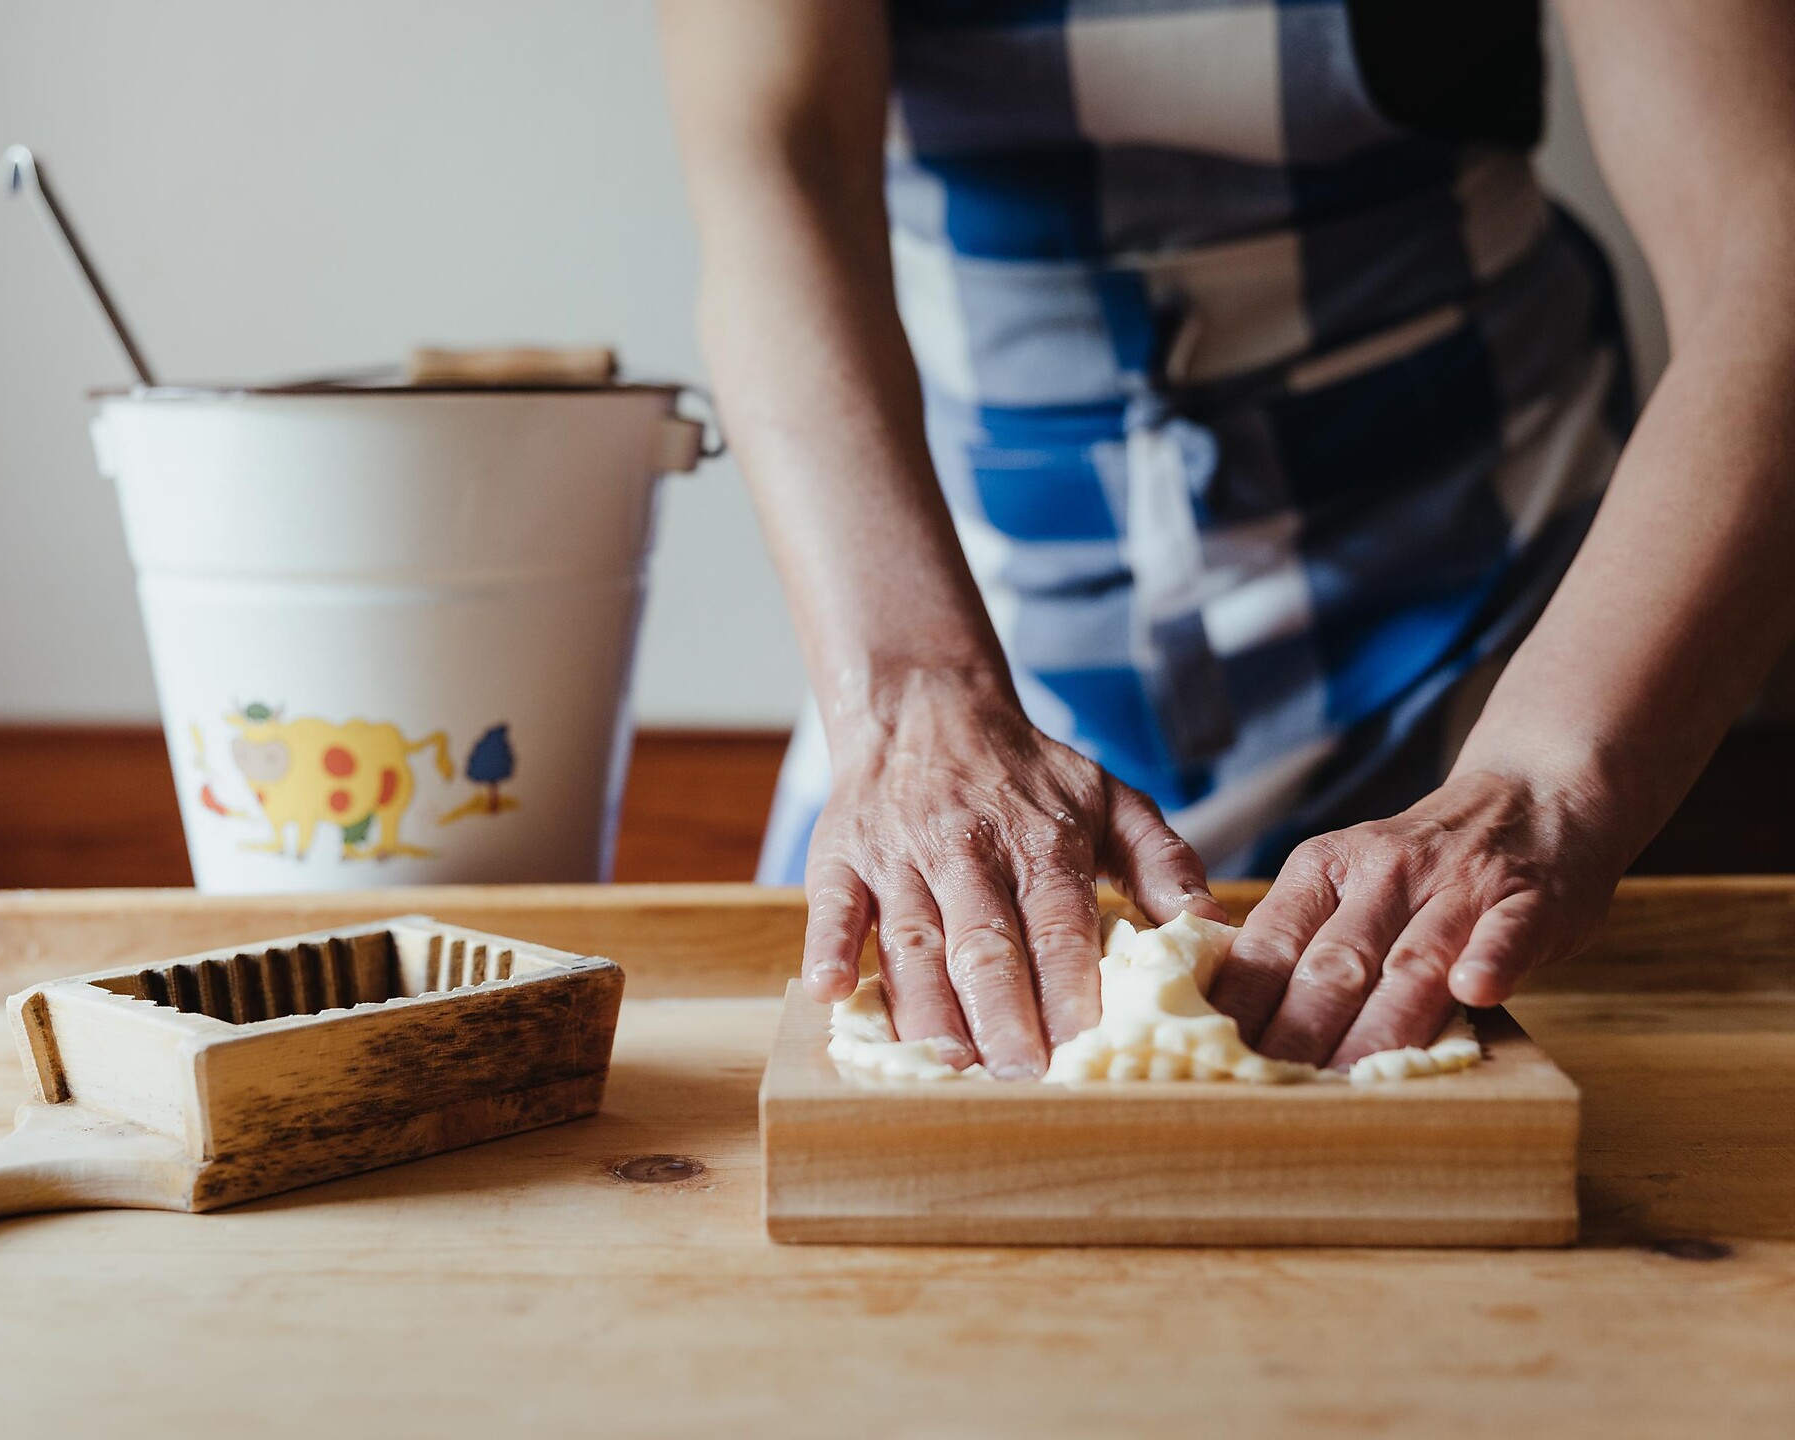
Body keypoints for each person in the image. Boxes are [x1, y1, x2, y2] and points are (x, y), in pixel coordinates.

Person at [658, 0, 1795, 1078]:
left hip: (1497, 612)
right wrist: (909, 699)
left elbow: (1770, 238)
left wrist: (1550, 777)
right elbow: (776, 178)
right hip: (951, 593)